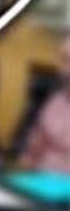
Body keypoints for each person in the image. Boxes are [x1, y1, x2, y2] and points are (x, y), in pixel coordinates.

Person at [19, 36, 70, 173]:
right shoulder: (56, 101)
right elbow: (33, 150)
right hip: (39, 179)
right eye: (64, 60)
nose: (64, 70)